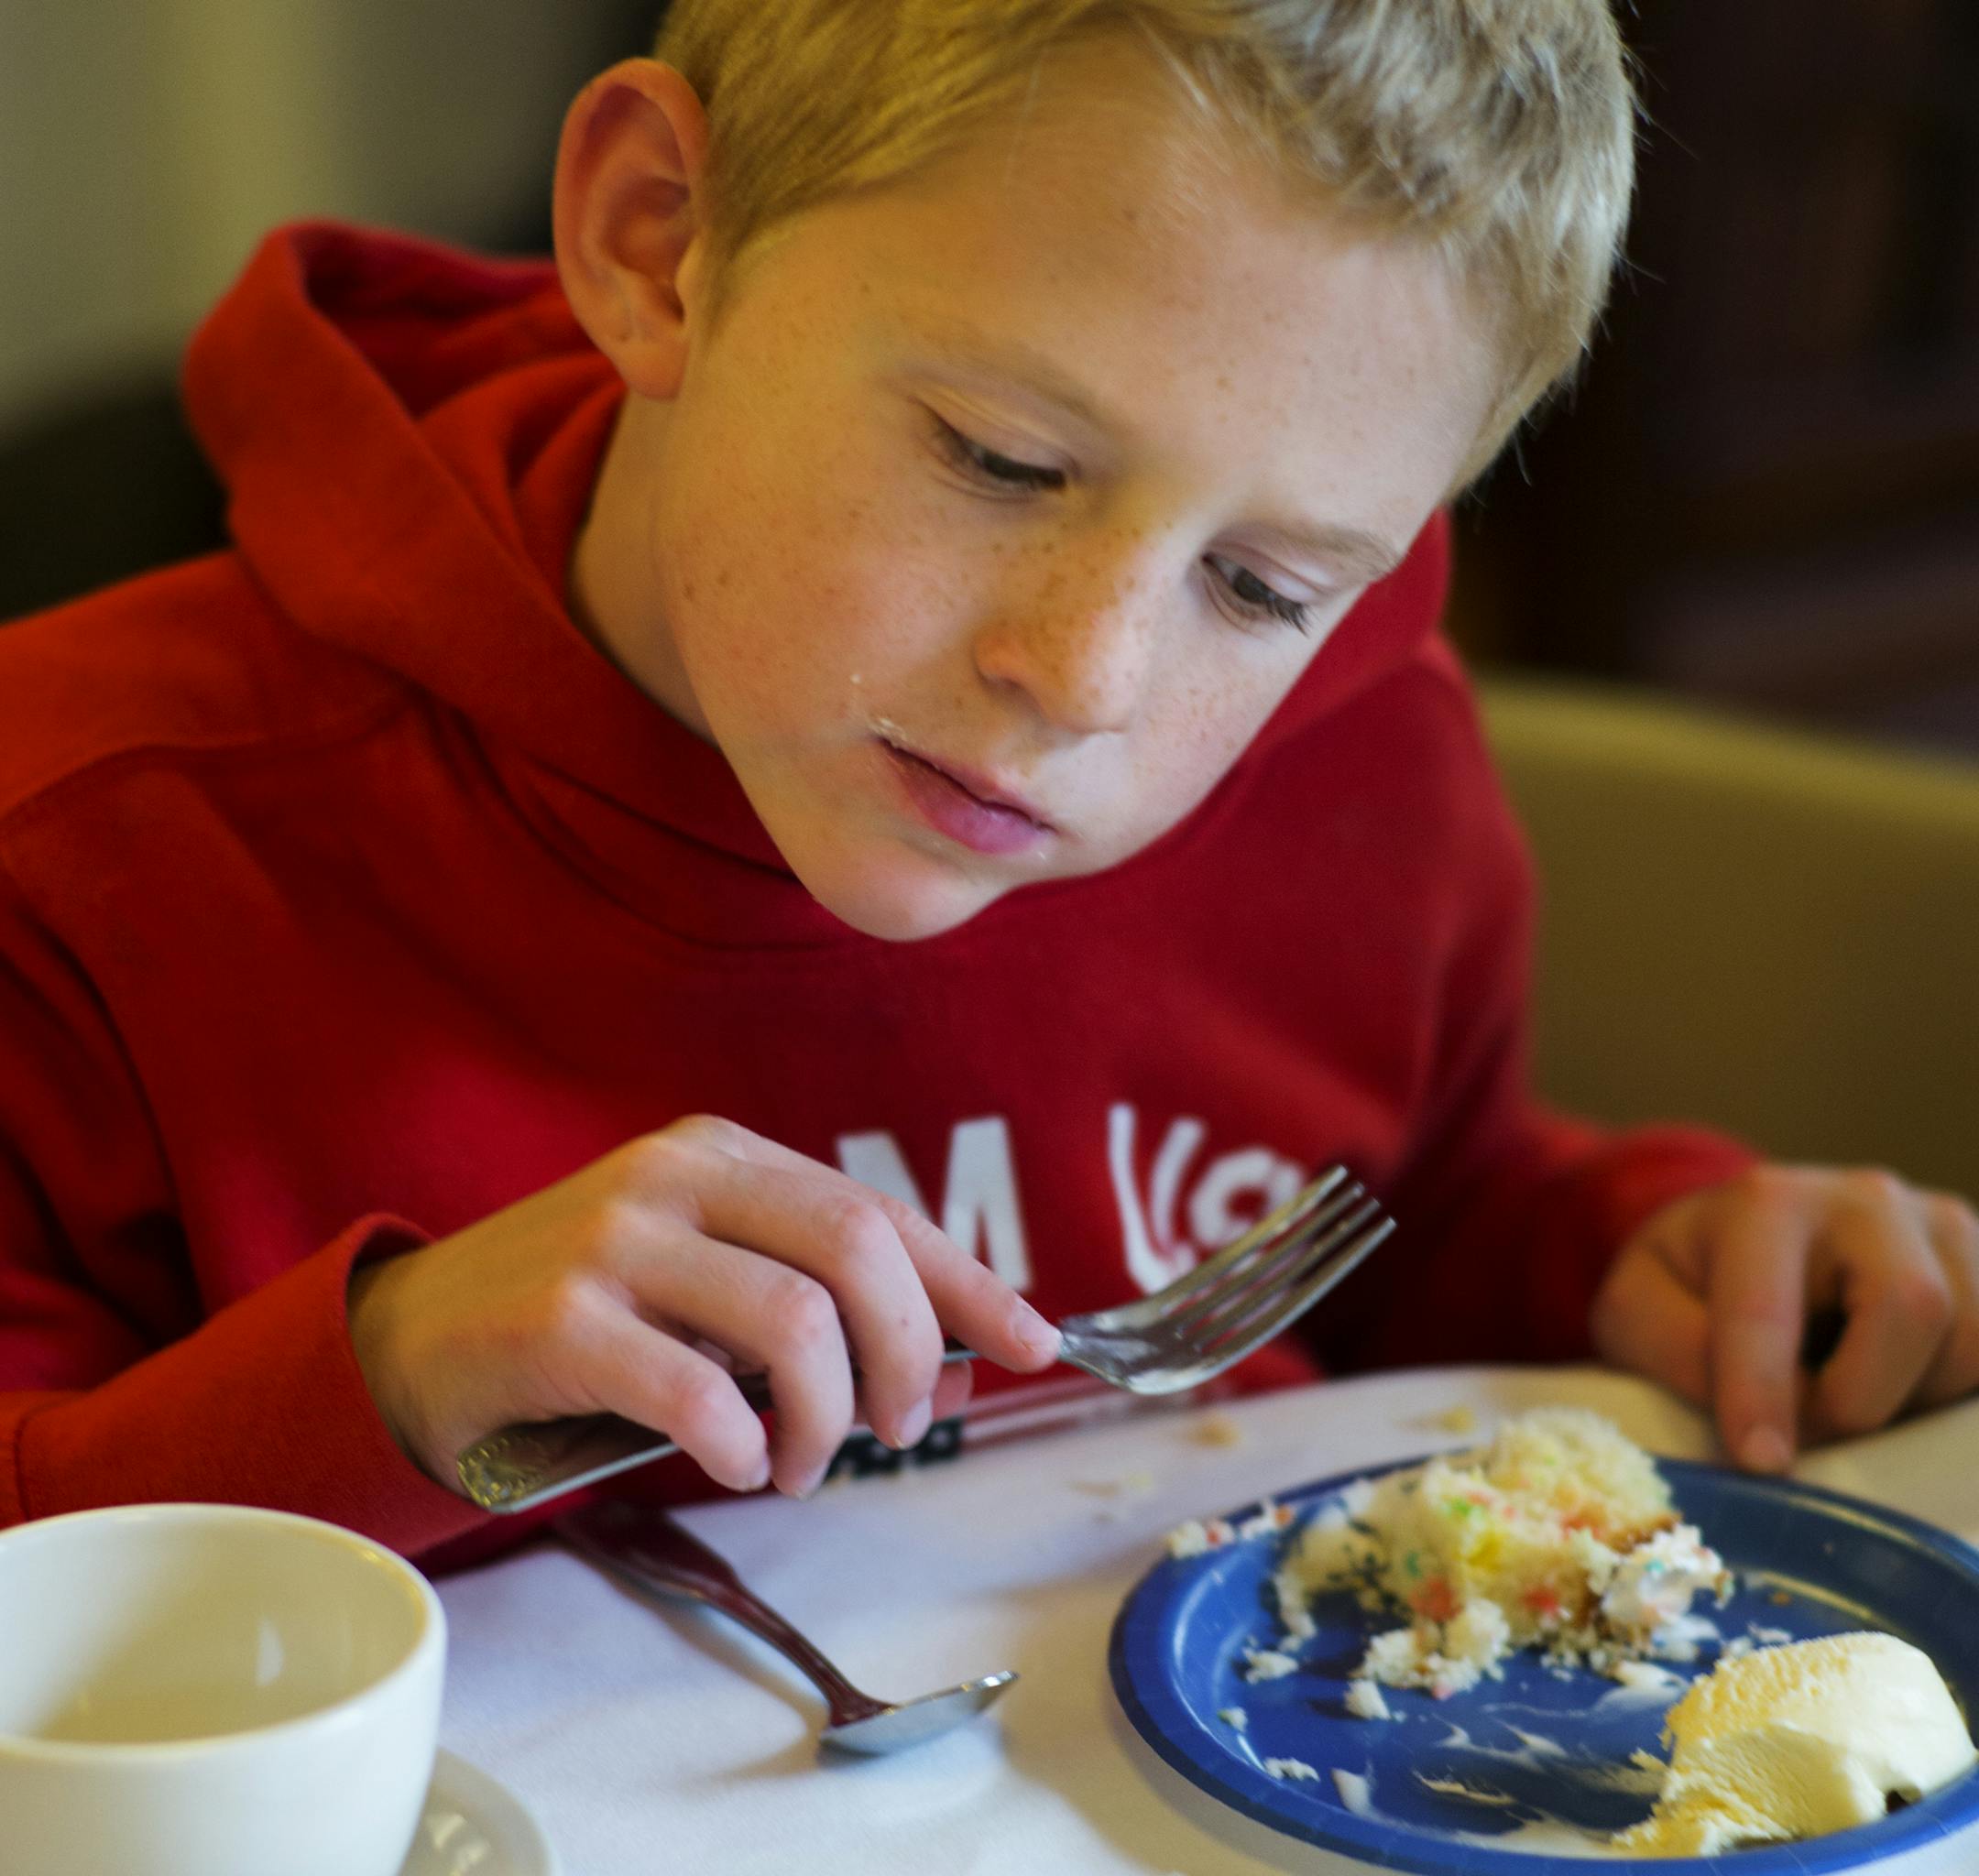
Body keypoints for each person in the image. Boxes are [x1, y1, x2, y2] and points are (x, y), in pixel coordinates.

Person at [0, 0, 1973, 1572]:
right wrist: (388, 1381)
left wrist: (1640, 1252)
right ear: (656, 247)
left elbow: (1405, 1215)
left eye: (1264, 584)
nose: (1088, 677)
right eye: (1003, 461)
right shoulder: (93, 840)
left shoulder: (1363, 770)